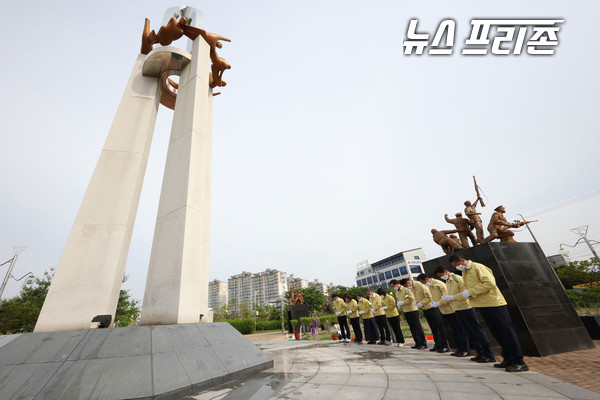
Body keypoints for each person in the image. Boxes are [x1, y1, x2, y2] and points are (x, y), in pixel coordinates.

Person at [449, 254, 528, 372]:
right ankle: (508, 359)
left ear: (462, 261)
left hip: (494, 303)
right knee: (497, 334)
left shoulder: (477, 267)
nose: (457, 268)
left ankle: (519, 362)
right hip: (482, 305)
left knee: (507, 333)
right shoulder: (466, 272)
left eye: (457, 265)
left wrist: (470, 292)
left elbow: (489, 283)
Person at [436, 265, 495, 361]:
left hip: (466, 307)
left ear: (446, 271)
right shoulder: (448, 281)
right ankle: (479, 353)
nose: (441, 277)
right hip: (457, 308)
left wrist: (452, 297)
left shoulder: (458, 279)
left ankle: (488, 354)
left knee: (476, 331)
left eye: (441, 275)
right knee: (469, 331)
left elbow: (465, 292)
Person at [428, 272, 469, 357]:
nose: (441, 277)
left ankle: (465, 349)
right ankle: (459, 349)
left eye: (441, 275)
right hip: (444, 310)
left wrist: (439, 303)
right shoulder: (446, 281)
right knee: (454, 331)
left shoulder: (441, 283)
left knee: (460, 330)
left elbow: (446, 296)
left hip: (453, 309)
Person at [415, 274, 449, 353]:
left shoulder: (437, 283)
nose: (423, 284)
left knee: (439, 327)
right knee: (433, 328)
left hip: (433, 308)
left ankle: (444, 346)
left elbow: (429, 297)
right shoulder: (429, 286)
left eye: (422, 282)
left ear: (426, 278)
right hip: (427, 308)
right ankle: (437, 344)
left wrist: (422, 303)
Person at [393, 279, 427, 349]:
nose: (394, 287)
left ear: (397, 284)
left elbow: (411, 298)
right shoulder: (397, 292)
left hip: (412, 310)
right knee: (412, 327)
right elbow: (399, 300)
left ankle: (423, 343)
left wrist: (403, 302)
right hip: (406, 311)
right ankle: (417, 342)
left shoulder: (406, 290)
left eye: (394, 286)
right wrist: (399, 303)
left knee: (417, 327)